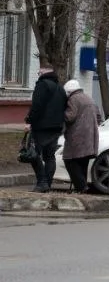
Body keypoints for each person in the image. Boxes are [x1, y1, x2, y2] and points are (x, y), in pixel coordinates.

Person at [24, 62, 67, 193]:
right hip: (57, 127)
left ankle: (42, 182)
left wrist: (29, 121)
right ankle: (47, 183)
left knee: (34, 154)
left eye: (38, 73)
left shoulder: (42, 85)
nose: (38, 75)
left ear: (42, 72)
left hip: (42, 127)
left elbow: (37, 106)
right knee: (50, 156)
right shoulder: (60, 88)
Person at [62, 79, 102, 194]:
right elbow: (99, 117)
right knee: (82, 162)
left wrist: (61, 114)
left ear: (69, 92)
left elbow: (70, 117)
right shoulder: (89, 98)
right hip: (91, 135)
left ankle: (81, 187)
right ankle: (81, 189)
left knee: (69, 160)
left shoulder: (73, 99)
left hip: (77, 135)